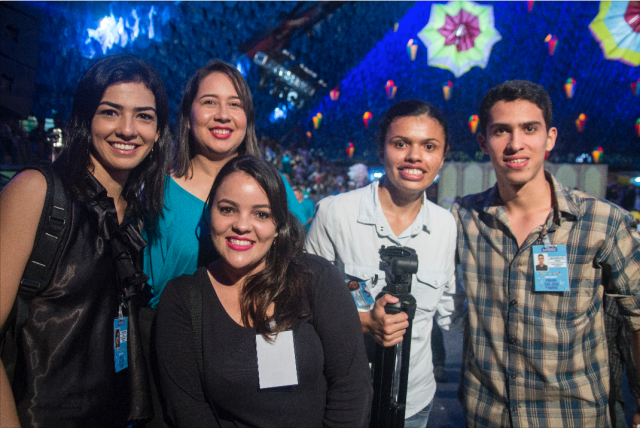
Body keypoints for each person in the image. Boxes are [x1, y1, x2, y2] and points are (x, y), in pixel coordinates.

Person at [451, 80, 640, 427]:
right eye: (501, 131)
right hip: (487, 414)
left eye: (529, 129)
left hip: (571, 415)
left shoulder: (602, 221)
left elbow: (638, 316)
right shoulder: (463, 219)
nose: (515, 143)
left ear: (550, 138)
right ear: (483, 142)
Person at [0, 54, 171, 427]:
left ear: (158, 132)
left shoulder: (137, 214)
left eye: (144, 116)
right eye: (110, 112)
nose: (128, 130)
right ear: (85, 119)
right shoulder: (36, 191)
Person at [156, 155, 372, 427]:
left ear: (278, 226)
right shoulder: (183, 299)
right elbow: (188, 411)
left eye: (261, 214)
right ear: (209, 215)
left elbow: (351, 386)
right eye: (227, 209)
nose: (242, 226)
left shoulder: (316, 277)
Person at [306, 99, 457, 427]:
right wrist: (362, 321)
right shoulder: (335, 213)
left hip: (414, 403)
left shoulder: (447, 226)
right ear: (381, 149)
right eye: (401, 143)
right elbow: (300, 300)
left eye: (429, 146)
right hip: (341, 400)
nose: (414, 156)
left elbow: (450, 312)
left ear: (443, 157)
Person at [142, 60, 260, 310]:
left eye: (235, 104)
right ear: (186, 117)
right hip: (172, 339)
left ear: (247, 120)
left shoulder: (273, 189)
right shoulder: (158, 192)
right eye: (209, 102)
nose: (223, 115)